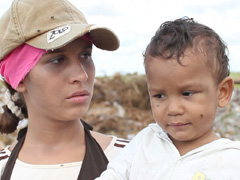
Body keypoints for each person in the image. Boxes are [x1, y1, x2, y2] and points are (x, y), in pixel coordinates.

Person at [95, 17, 240, 180]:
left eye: (187, 93)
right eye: (160, 95)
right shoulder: (145, 142)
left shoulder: (232, 162)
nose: (173, 109)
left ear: (222, 92)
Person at [0, 0, 129, 179]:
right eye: (57, 60)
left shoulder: (130, 160)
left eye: (85, 55)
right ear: (19, 78)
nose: (82, 75)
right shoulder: (3, 167)